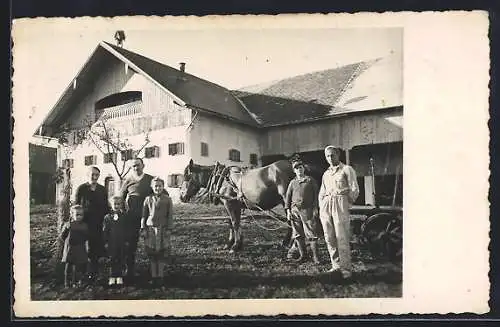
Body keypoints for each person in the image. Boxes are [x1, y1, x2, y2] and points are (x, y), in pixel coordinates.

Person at [318, 146, 359, 278]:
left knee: (341, 237)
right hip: (327, 205)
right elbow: (322, 192)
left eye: (332, 155)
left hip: (340, 205)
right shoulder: (326, 173)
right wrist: (322, 206)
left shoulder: (347, 169)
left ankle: (346, 269)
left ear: (338, 155)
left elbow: (354, 189)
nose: (330, 158)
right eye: (327, 156)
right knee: (329, 237)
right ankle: (335, 265)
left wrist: (348, 203)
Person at [119, 158, 153, 282]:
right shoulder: (128, 180)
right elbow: (120, 197)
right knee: (131, 245)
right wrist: (123, 212)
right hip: (131, 218)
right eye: (133, 166)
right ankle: (130, 270)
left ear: (143, 165)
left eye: (138, 165)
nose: (136, 168)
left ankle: (153, 271)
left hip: (148, 217)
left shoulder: (150, 179)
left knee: (151, 244)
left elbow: (161, 193)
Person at [74, 166, 109, 282]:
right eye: (92, 174)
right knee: (84, 248)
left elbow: (105, 206)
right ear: (87, 174)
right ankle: (82, 274)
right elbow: (76, 206)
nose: (94, 177)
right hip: (85, 223)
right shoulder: (81, 188)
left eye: (97, 175)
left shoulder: (102, 189)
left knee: (95, 248)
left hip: (98, 223)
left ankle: (94, 273)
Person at [284, 158, 320, 263]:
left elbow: (316, 196)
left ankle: (315, 257)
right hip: (295, 211)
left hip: (308, 210)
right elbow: (288, 197)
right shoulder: (292, 183)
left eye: (300, 167)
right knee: (297, 234)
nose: (299, 170)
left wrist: (315, 209)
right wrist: (288, 211)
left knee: (311, 233)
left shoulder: (310, 180)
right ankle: (303, 255)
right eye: (296, 168)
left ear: (304, 169)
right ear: (294, 171)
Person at [141, 177, 174, 287]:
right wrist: (143, 228)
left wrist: (169, 229)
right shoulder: (148, 199)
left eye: (160, 186)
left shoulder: (168, 199)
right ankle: (153, 276)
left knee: (161, 254)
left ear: (163, 187)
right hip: (151, 230)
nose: (157, 188)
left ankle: (160, 276)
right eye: (155, 186)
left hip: (163, 230)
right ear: (152, 187)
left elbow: (170, 216)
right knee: (152, 254)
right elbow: (144, 216)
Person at [59, 205, 89, 288]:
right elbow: (62, 236)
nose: (79, 217)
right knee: (68, 265)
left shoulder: (84, 225)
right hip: (70, 248)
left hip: (80, 247)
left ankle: (76, 281)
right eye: (77, 215)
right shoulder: (68, 225)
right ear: (72, 215)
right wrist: (67, 243)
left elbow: (86, 237)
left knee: (78, 266)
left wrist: (86, 247)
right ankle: (67, 283)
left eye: (81, 215)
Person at [102, 196, 129, 287]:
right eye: (115, 204)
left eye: (118, 204)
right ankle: (112, 276)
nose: (116, 206)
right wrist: (105, 242)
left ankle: (119, 276)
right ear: (111, 205)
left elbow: (126, 229)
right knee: (112, 258)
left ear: (121, 205)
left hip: (121, 242)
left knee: (121, 258)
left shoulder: (124, 216)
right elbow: (105, 230)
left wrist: (126, 240)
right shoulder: (107, 217)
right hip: (111, 242)